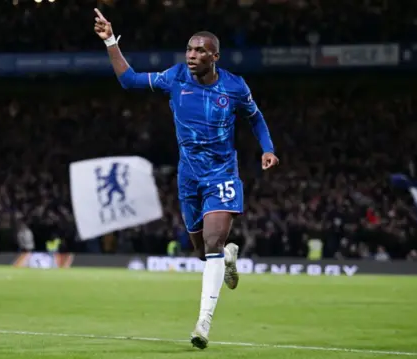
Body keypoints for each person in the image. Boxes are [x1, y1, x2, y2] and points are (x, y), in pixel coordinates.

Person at [93, 9, 279, 349]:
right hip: (189, 178)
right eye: (189, 49)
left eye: (200, 51)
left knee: (211, 243)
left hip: (222, 173)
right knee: (202, 251)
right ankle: (228, 257)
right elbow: (128, 80)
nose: (192, 55)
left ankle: (202, 323)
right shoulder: (175, 77)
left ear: (215, 57)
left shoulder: (235, 86)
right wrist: (109, 40)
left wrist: (267, 148)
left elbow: (256, 118)